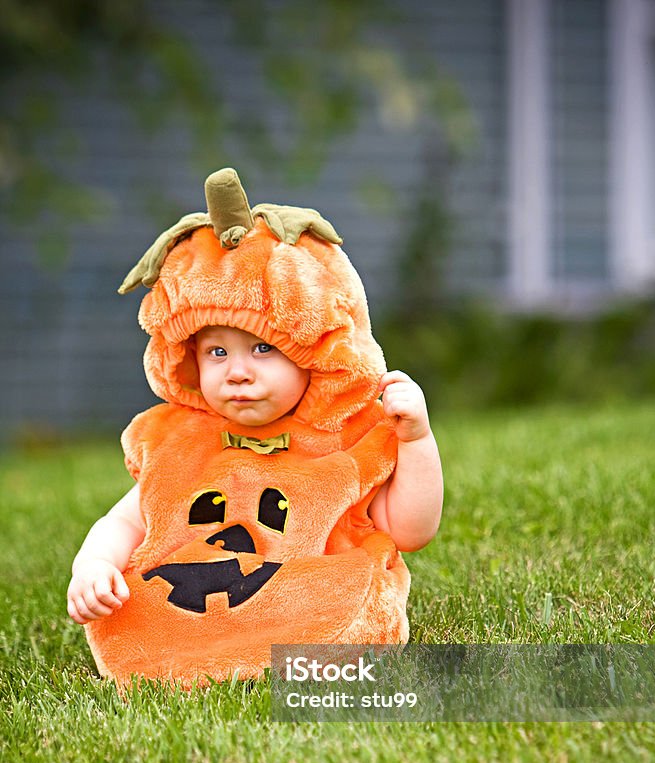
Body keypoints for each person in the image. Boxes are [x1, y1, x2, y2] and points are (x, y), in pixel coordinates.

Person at [67, 168, 443, 689]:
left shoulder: (340, 443)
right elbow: (125, 522)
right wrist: (93, 565)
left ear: (311, 354)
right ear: (189, 357)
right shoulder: (180, 443)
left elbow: (411, 530)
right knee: (147, 596)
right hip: (183, 621)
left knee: (342, 595)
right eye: (217, 352)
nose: (237, 371)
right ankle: (188, 654)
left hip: (313, 609)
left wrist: (416, 440)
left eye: (263, 348)